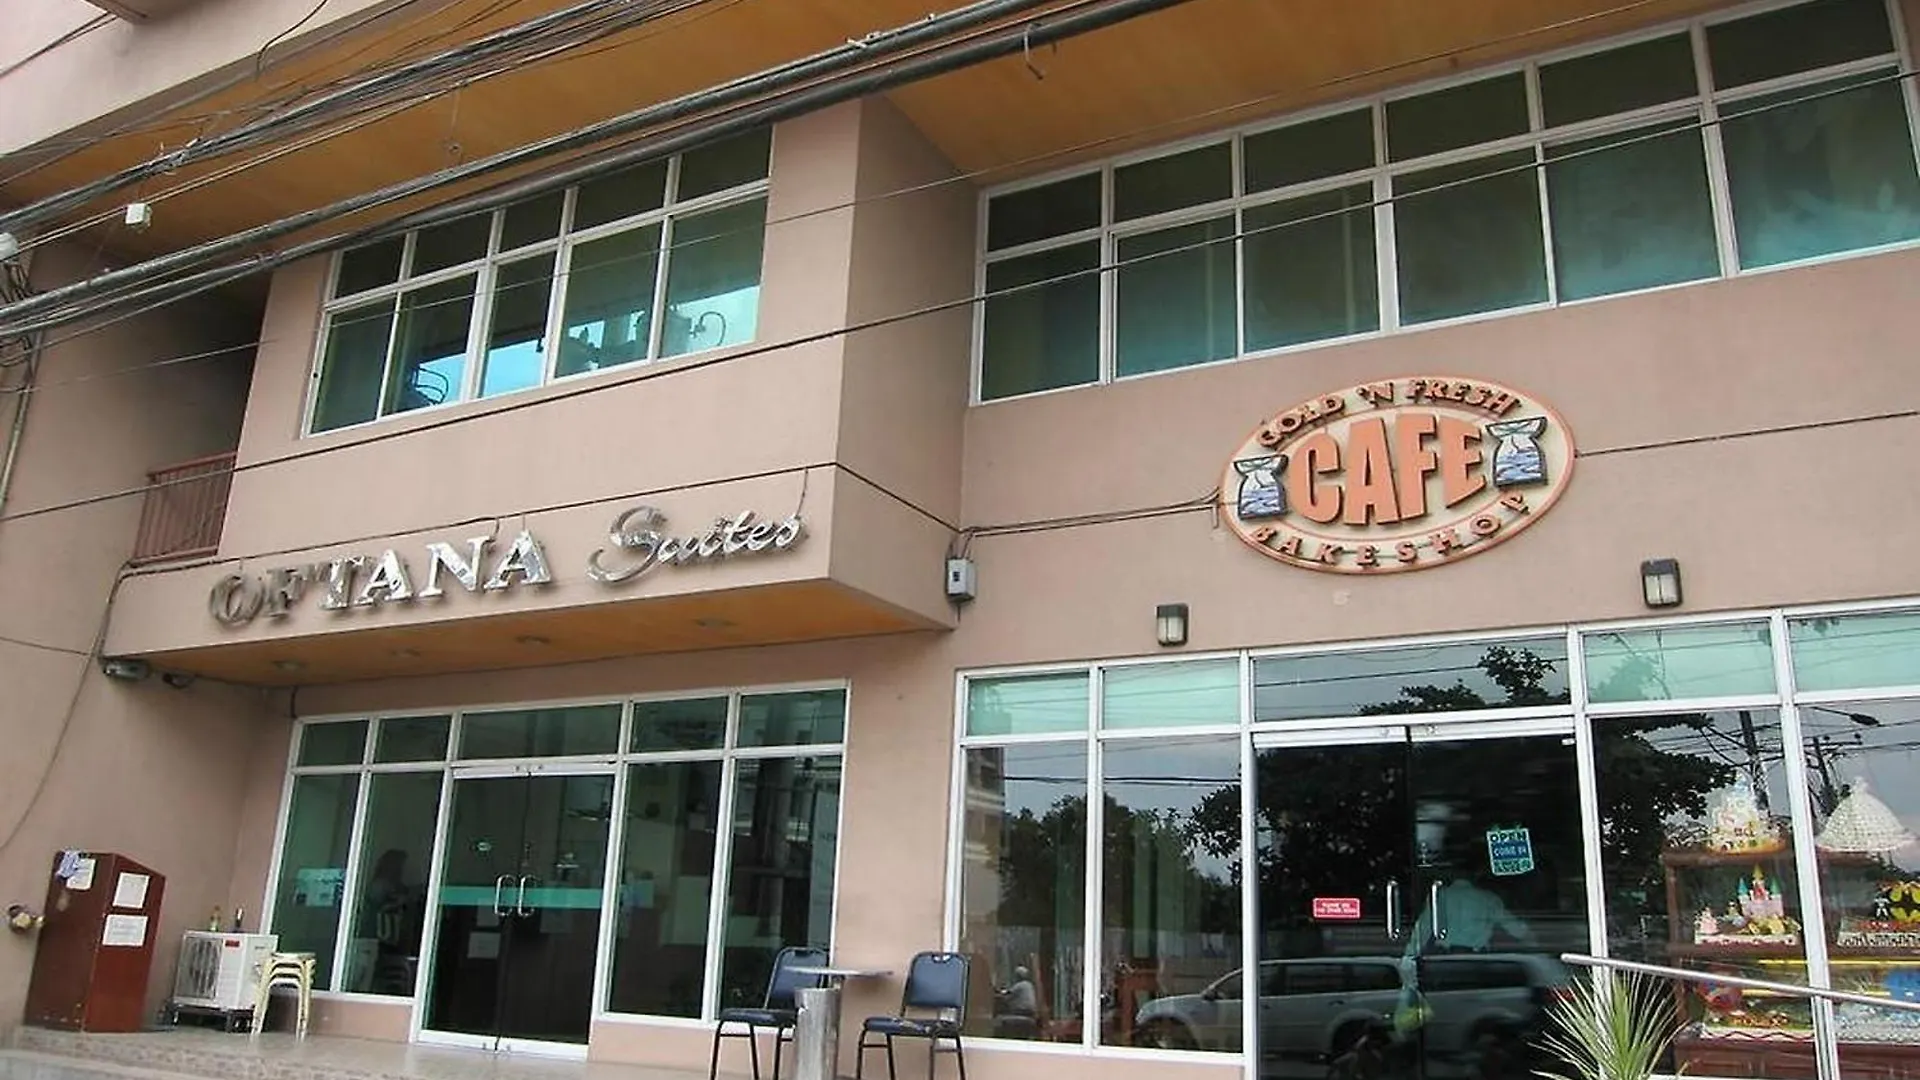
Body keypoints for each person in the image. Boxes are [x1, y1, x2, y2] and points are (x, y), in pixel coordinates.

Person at [993, 966, 1040, 1038]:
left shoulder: (1020, 985)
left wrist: (998, 993)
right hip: (1030, 1012)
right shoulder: (1029, 985)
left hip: (1021, 1010)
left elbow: (1008, 994)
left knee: (999, 1018)